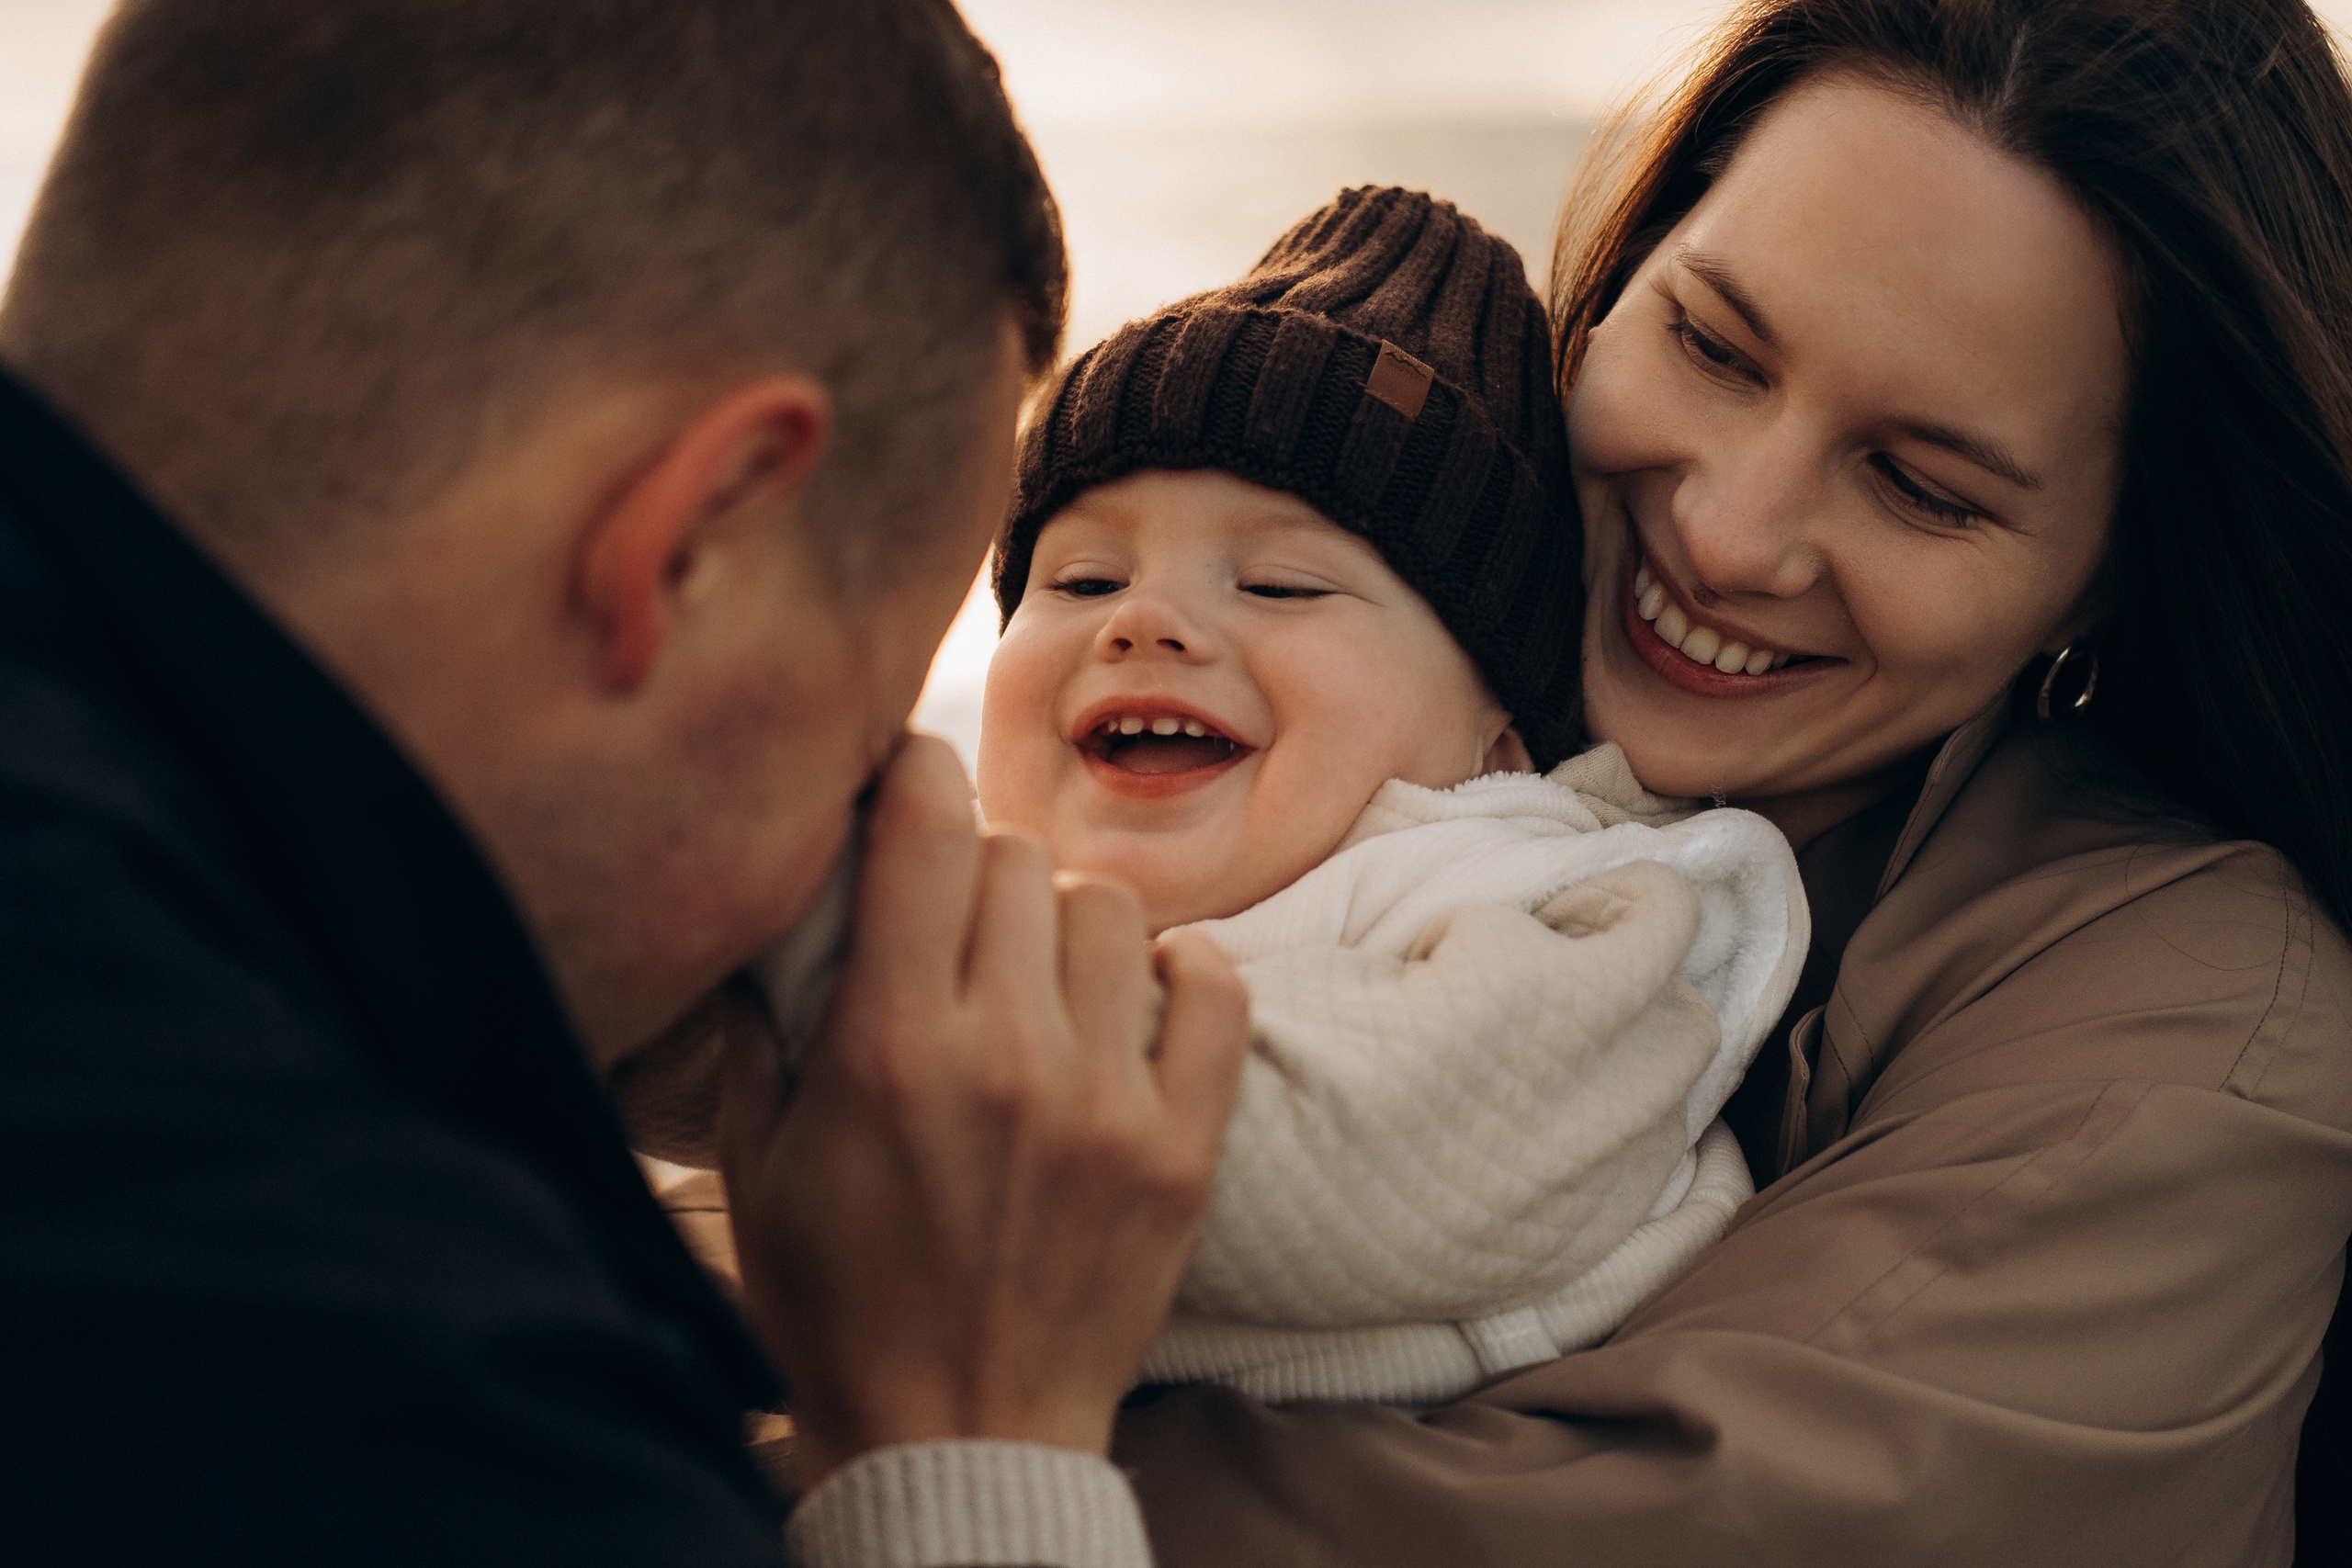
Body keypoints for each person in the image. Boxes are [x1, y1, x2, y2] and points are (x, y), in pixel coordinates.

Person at [1089, 1, 2352, 1563]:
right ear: (1617, 280)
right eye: (1710, 344)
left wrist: (866, 1437)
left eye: (1921, 485)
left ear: (2113, 580)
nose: (1732, 533)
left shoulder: (2196, 1040)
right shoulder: (1346, 676)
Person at [0, 3, 1249, 1565]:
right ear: (693, 536)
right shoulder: (400, 1389)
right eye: (867, 742)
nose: (841, 863)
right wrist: (972, 1437)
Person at [980, 186, 1807, 1404]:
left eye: (1277, 586)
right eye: (1085, 577)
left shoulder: (1538, 903)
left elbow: (1379, 1152)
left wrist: (902, 1075)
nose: (1145, 622)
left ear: (1499, 746)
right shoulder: (995, 916)